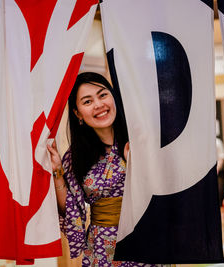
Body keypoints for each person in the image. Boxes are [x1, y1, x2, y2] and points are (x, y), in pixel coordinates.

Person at [47, 72, 161, 266]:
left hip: (147, 237)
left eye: (102, 95)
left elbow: (168, 186)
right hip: (102, 248)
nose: (99, 105)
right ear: (77, 113)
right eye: (87, 101)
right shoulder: (75, 157)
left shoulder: (143, 138)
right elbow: (72, 210)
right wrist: (57, 172)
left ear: (113, 97)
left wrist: (136, 164)